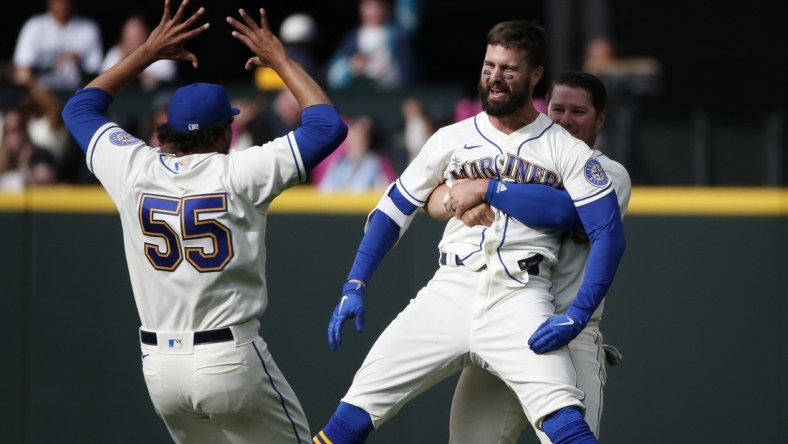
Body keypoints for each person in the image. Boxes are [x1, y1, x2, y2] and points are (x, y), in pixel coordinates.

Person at [311, 19, 625, 444]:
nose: (495, 78)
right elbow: (393, 209)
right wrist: (355, 280)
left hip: (522, 295)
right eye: (488, 66)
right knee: (352, 415)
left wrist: (487, 189)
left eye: (508, 69)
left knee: (566, 426)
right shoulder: (451, 138)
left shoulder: (566, 149)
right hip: (449, 287)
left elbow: (601, 228)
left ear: (534, 76)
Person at [60, 2, 347, 443]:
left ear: (168, 131)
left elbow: (79, 109)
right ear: (226, 133)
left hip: (160, 368)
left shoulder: (133, 168)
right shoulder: (240, 172)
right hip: (229, 359)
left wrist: (147, 51)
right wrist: (281, 59)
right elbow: (327, 125)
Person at [429, 71, 632, 443]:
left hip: (569, 335)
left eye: (579, 111)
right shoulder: (518, 161)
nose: (565, 119)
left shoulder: (609, 173)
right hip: (503, 325)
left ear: (600, 118)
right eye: (557, 108)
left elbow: (562, 213)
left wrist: (487, 189)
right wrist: (459, 195)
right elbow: (431, 188)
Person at [12, 0, 103, 92]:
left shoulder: (88, 27)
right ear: (49, 3)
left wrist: (77, 61)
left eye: (65, 2)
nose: (61, 6)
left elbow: (94, 70)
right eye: (57, 2)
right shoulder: (34, 26)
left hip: (76, 90)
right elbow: (22, 68)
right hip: (40, 91)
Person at [326, 0, 417, 90]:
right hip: (365, 96)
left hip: (394, 92)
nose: (372, 12)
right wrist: (351, 66)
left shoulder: (399, 33)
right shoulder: (352, 39)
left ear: (386, 8)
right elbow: (334, 76)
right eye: (367, 7)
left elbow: (409, 14)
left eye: (377, 7)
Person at [317, 115, 397, 193]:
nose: (353, 136)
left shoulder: (377, 164)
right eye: (354, 129)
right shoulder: (338, 163)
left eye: (361, 132)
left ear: (369, 140)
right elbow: (323, 192)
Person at [100, 14, 177, 91]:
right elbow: (102, 81)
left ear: (144, 34)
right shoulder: (116, 52)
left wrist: (136, 66)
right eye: (129, 38)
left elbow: (166, 79)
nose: (132, 42)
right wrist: (122, 61)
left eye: (136, 37)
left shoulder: (158, 51)